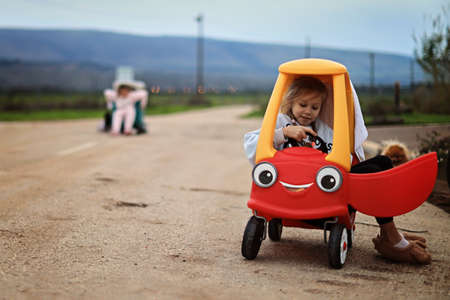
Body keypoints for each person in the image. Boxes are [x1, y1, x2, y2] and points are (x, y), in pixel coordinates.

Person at [243, 76, 431, 264]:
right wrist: (283, 133)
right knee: (372, 170)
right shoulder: (280, 122)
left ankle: (388, 232)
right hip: (289, 195)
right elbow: (252, 144)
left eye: (314, 107)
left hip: (324, 196)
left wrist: (326, 152)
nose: (308, 112)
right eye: (303, 104)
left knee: (381, 163)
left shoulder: (323, 130)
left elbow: (344, 162)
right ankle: (391, 237)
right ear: (290, 101)